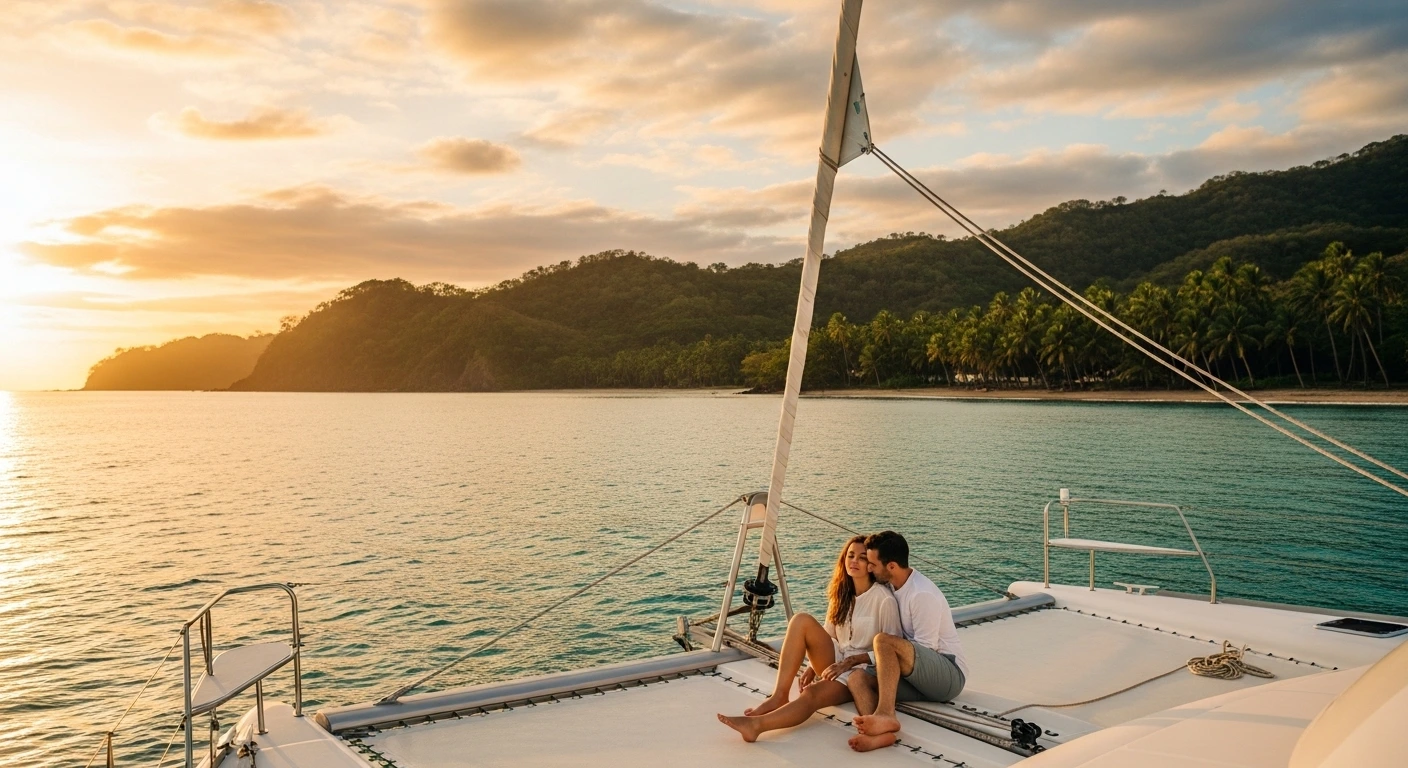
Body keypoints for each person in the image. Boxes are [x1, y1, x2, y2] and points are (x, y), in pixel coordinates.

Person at [717, 534, 901, 743]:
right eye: (850, 556)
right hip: (837, 659)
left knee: (811, 694)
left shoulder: (883, 600)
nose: (854, 561)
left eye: (861, 558)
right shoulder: (841, 593)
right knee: (800, 620)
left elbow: (890, 652)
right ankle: (779, 696)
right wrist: (813, 667)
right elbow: (829, 634)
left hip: (861, 673)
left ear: (870, 565)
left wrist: (851, 662)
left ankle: (756, 726)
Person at [847, 530, 968, 752]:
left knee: (882, 641)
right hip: (918, 674)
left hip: (948, 675)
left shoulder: (921, 594)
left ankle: (886, 714)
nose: (869, 568)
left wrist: (869, 656)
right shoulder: (893, 586)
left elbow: (926, 650)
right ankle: (880, 733)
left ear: (891, 566)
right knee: (857, 679)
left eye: (872, 563)